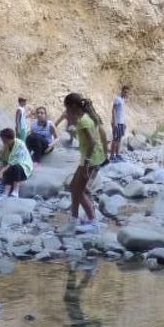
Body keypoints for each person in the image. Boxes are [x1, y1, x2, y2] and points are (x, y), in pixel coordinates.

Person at [63, 92, 107, 228]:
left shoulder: (83, 121)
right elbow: (99, 136)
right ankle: (74, 218)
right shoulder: (87, 117)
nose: (66, 110)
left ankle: (93, 222)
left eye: (67, 107)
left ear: (73, 106)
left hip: (90, 159)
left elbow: (92, 143)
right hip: (91, 157)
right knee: (73, 187)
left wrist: (87, 165)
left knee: (79, 190)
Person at [0, 126, 33, 198]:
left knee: (15, 167)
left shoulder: (20, 144)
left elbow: (14, 162)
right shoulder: (6, 146)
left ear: (10, 138)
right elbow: (2, 159)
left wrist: (1, 172)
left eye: (4, 139)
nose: (3, 141)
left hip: (23, 167)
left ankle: (15, 191)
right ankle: (5, 193)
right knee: (8, 169)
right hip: (11, 167)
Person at [110, 84, 129, 162]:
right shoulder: (117, 99)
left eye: (127, 92)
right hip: (117, 122)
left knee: (120, 139)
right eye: (125, 92)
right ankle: (111, 156)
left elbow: (121, 112)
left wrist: (124, 123)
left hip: (121, 122)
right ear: (122, 91)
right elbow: (113, 110)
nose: (126, 94)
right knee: (115, 139)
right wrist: (115, 122)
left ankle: (117, 154)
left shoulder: (123, 100)